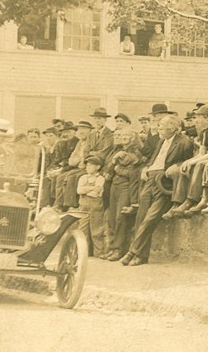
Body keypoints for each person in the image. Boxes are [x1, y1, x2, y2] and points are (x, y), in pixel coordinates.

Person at [120, 114, 194, 266]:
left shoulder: (184, 141)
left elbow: (188, 162)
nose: (158, 128)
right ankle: (142, 256)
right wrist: (146, 168)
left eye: (161, 125)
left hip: (164, 182)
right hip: (149, 180)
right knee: (141, 218)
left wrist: (178, 165)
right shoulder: (161, 141)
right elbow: (153, 159)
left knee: (150, 218)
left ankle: (132, 252)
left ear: (172, 128)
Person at [162, 104, 208, 217]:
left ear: (206, 118)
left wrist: (193, 162)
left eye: (198, 117)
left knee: (198, 165)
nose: (196, 120)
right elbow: (202, 152)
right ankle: (177, 203)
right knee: (182, 168)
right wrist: (188, 161)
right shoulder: (204, 132)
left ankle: (191, 200)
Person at [104, 128, 143, 261]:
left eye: (127, 135)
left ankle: (119, 249)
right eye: (123, 135)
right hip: (114, 185)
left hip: (126, 187)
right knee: (112, 218)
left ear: (133, 138)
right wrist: (115, 163)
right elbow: (109, 168)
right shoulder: (117, 150)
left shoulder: (136, 151)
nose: (124, 137)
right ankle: (113, 247)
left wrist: (117, 169)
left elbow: (132, 171)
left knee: (121, 217)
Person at [76, 154, 107, 258]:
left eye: (91, 165)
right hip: (84, 206)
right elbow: (79, 190)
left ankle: (99, 252)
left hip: (96, 206)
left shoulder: (100, 178)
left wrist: (86, 189)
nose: (88, 167)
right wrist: (91, 188)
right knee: (82, 228)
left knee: (97, 229)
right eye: (87, 165)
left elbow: (96, 192)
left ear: (98, 167)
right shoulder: (83, 177)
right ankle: (83, 252)